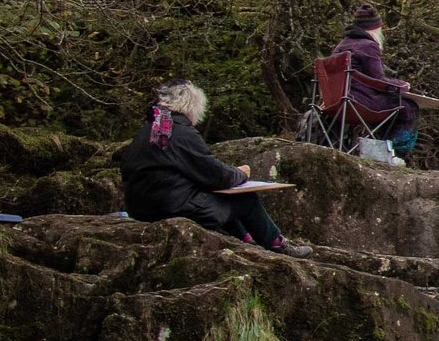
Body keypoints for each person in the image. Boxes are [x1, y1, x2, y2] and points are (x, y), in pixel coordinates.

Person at [120, 80, 311, 257]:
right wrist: (240, 173)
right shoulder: (181, 132)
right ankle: (276, 244)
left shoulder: (150, 129)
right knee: (245, 199)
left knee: (223, 201)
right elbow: (216, 175)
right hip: (169, 207)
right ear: (192, 106)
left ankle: (246, 241)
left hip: (140, 207)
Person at [330, 3, 419, 161]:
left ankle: (379, 150)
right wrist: (401, 85)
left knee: (391, 105)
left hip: (336, 103)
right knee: (408, 107)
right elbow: (378, 80)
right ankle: (395, 153)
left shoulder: (341, 45)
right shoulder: (369, 46)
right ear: (375, 29)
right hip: (360, 103)